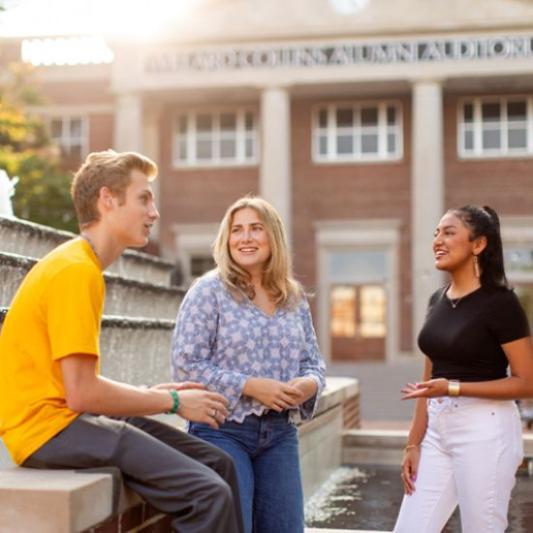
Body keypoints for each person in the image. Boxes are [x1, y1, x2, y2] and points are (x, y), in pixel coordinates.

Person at [0, 150, 244, 533]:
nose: (154, 212)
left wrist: (147, 394)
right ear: (107, 200)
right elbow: (81, 394)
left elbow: (78, 386)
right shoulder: (75, 271)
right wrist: (174, 401)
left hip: (67, 420)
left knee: (220, 465)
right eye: (144, 198)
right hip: (46, 431)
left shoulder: (83, 266)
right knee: (208, 494)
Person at [171, 196, 326, 533]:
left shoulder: (293, 297)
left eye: (256, 228)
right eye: (236, 230)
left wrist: (307, 385)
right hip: (222, 430)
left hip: (280, 433)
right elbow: (186, 364)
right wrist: (251, 386)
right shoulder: (208, 291)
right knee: (233, 526)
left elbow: (313, 363)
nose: (245, 238)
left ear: (273, 237)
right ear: (226, 240)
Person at [393, 205, 533, 533]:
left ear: (478, 244)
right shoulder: (436, 300)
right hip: (437, 429)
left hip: (486, 429)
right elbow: (428, 381)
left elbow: (527, 382)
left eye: (449, 232)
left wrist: (454, 387)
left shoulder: (501, 304)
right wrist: (413, 443)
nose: (438, 240)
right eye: (436, 233)